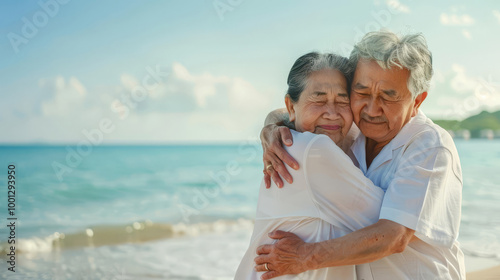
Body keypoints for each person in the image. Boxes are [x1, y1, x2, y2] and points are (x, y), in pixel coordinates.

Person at [255, 31, 465, 279]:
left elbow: (394, 237)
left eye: (388, 96)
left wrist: (304, 257)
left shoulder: (430, 146)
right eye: (362, 93)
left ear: (417, 101)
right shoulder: (354, 127)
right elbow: (308, 109)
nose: (372, 109)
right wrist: (271, 127)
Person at [235, 52, 385, 279]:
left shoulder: (311, 140)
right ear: (291, 106)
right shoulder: (314, 150)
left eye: (343, 101)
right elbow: (390, 223)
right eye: (319, 100)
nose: (332, 113)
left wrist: (271, 122)